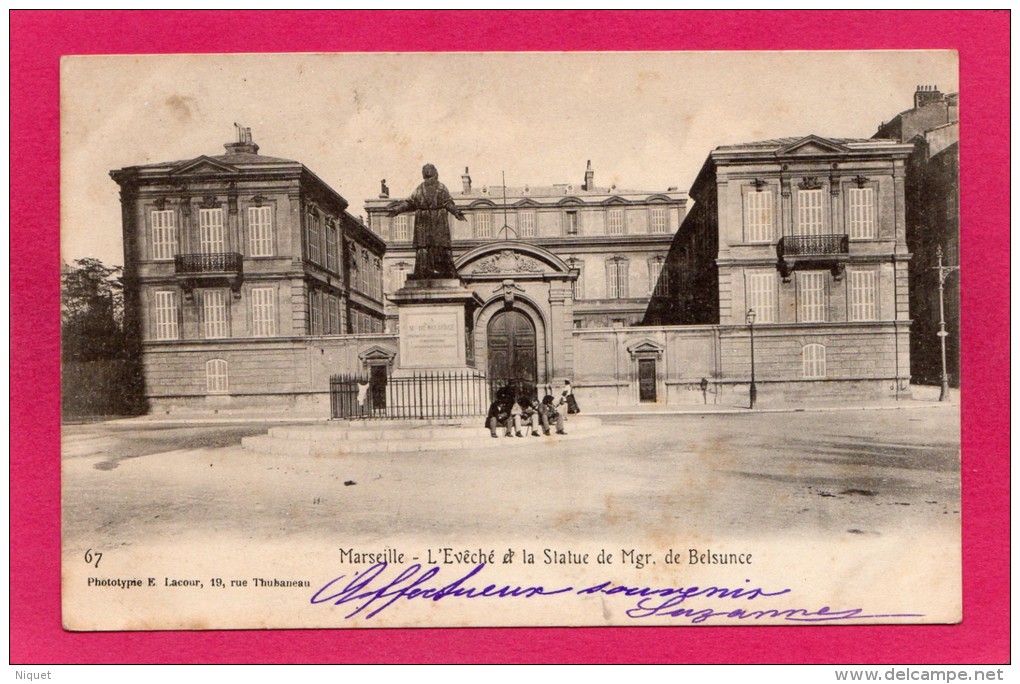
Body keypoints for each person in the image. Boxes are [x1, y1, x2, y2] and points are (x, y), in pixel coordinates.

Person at [387, 163, 466, 280]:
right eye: (427, 175)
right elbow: (410, 202)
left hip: (438, 219)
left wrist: (456, 212)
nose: (429, 177)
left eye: (430, 174)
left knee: (440, 245)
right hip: (423, 221)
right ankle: (423, 270)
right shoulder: (420, 188)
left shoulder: (441, 188)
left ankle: (444, 269)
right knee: (423, 247)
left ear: (435, 174)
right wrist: (397, 210)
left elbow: (448, 203)